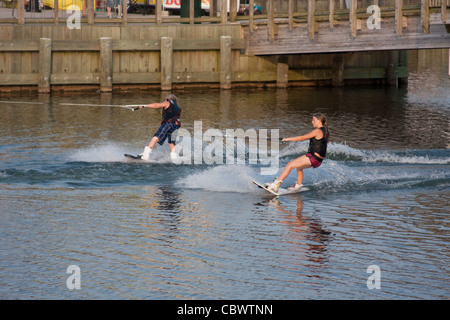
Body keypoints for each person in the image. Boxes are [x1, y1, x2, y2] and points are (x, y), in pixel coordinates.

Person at [266, 113, 330, 193]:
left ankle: (275, 185)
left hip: (313, 157)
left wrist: (287, 139)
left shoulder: (317, 131)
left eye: (314, 120)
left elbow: (302, 138)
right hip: (318, 160)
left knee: (290, 165)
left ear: (319, 120)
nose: (312, 122)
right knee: (299, 167)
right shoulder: (325, 132)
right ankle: (298, 186)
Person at [139, 94, 181, 162]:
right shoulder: (178, 107)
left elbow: (157, 105)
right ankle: (174, 158)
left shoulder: (168, 102)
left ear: (168, 99)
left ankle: (145, 155)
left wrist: (145, 105)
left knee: (156, 137)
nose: (164, 102)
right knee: (171, 142)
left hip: (168, 124)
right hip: (175, 126)